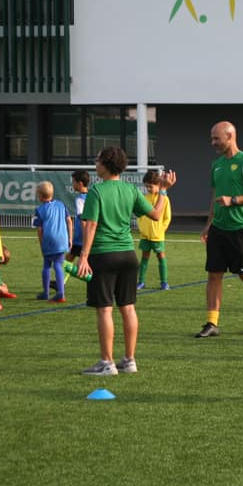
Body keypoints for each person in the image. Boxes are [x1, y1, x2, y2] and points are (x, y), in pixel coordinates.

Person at [76, 147, 175, 375]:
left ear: (105, 163)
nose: (95, 163)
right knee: (128, 308)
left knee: (104, 310)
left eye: (98, 159)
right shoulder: (130, 189)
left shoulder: (96, 191)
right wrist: (164, 192)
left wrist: (83, 257)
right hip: (128, 255)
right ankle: (129, 360)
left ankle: (106, 363)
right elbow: (156, 215)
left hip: (103, 255)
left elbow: (90, 225)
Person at [196, 121, 243, 337]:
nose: (213, 143)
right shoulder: (216, 164)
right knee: (214, 275)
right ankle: (212, 323)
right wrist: (209, 224)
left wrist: (234, 200)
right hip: (219, 228)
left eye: (216, 138)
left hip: (241, 229)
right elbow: (215, 196)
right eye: (211, 138)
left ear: (230, 136)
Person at [33, 181, 73, 303]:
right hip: (62, 239)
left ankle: (49, 293)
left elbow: (39, 230)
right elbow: (69, 221)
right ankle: (60, 292)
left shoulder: (39, 210)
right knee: (58, 264)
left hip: (49, 239)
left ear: (39, 196)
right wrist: (70, 238)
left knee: (47, 265)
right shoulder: (61, 205)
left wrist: (42, 244)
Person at [137, 169, 172, 291]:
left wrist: (161, 230)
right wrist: (142, 228)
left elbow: (167, 218)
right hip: (145, 236)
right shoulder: (144, 198)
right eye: (146, 187)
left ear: (159, 185)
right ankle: (141, 282)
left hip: (158, 236)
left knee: (161, 256)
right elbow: (140, 215)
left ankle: (164, 282)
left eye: (150, 186)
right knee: (144, 258)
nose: (148, 189)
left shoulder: (164, 199)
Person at [67, 170, 90, 262]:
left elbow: (83, 220)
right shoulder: (92, 197)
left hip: (81, 237)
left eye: (73, 182)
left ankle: (60, 276)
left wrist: (86, 238)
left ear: (80, 183)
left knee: (67, 261)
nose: (72, 184)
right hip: (89, 236)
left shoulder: (80, 199)